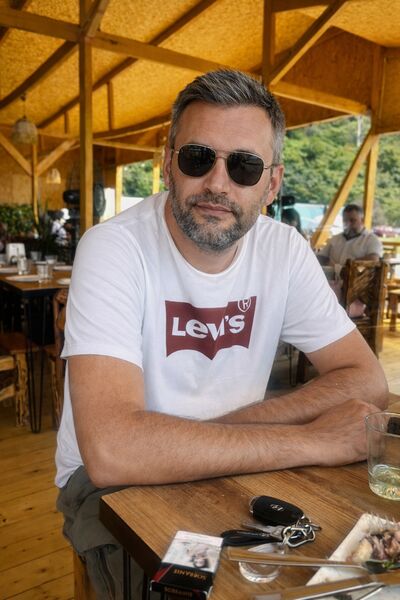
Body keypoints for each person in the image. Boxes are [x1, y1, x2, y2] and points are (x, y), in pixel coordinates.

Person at [55, 70, 388, 598]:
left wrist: (209, 435)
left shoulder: (283, 250)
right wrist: (311, 439)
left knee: (351, 570)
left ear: (271, 184)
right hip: (114, 486)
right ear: (168, 163)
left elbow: (366, 380)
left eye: (244, 166)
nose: (217, 183)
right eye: (197, 157)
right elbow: (113, 451)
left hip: (243, 464)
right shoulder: (113, 247)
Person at [318, 204, 383, 266]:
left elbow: (373, 259)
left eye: (352, 220)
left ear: (362, 220)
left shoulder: (372, 240)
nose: (348, 223)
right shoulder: (335, 239)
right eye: (345, 220)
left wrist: (347, 266)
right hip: (330, 273)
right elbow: (322, 256)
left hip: (357, 274)